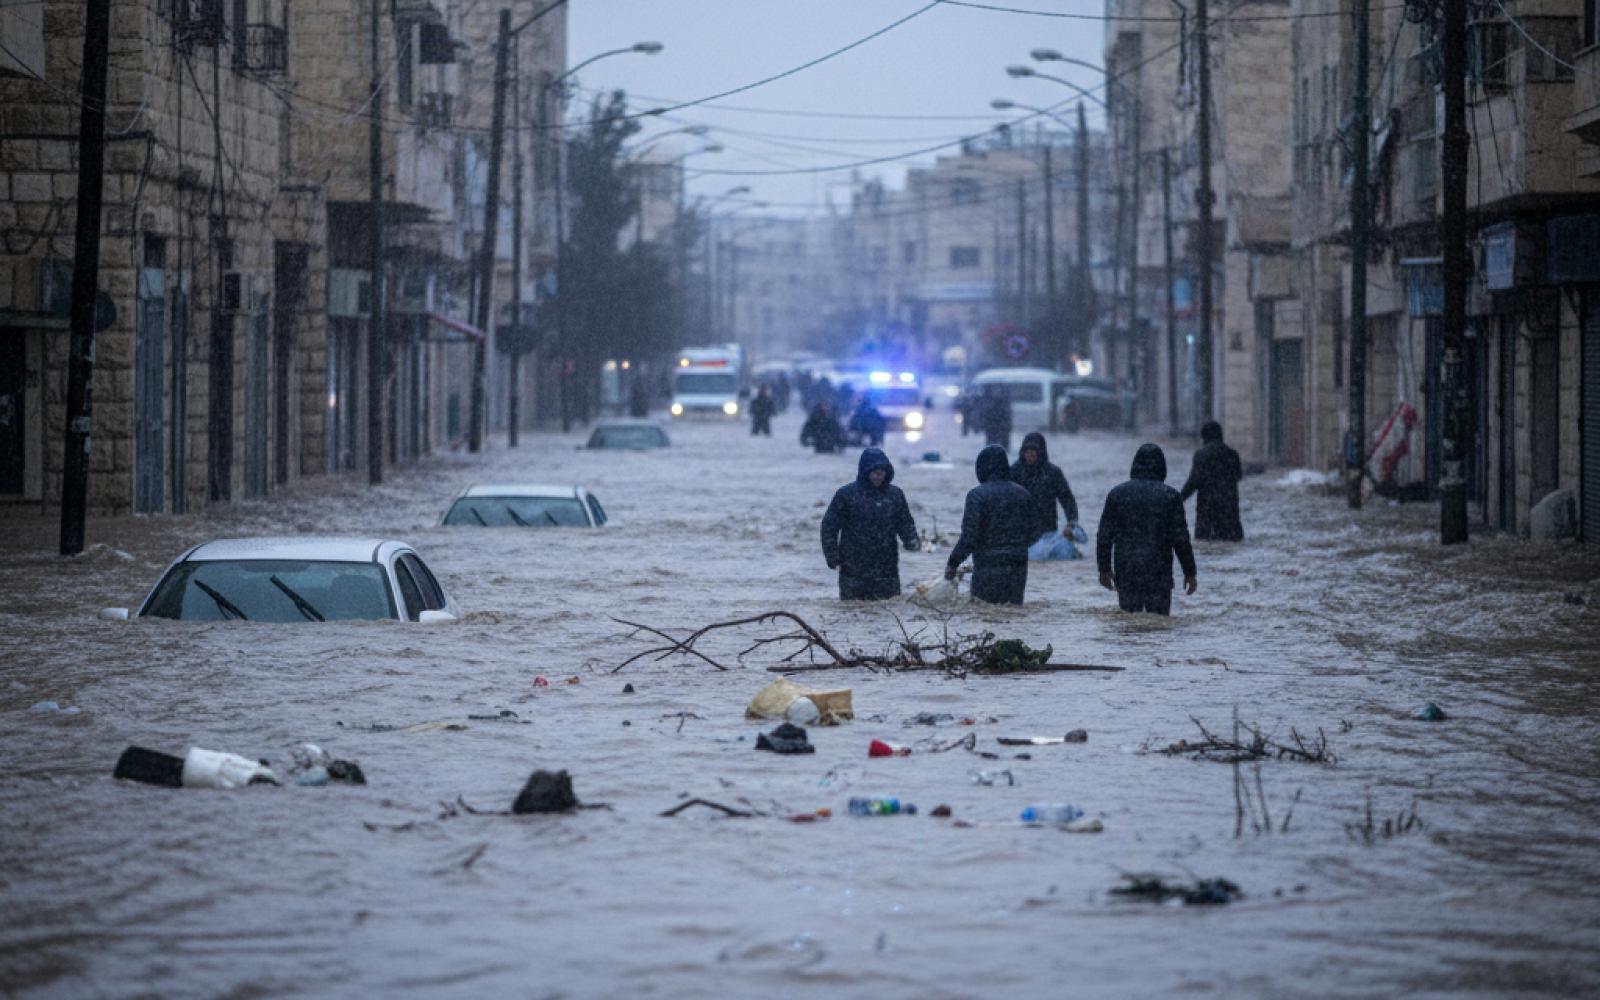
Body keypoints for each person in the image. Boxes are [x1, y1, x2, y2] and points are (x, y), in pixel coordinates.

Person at [1096, 443, 1198, 615]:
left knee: (1128, 626)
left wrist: (1104, 569)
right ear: (1162, 467)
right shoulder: (1170, 497)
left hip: (1127, 571)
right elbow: (1181, 539)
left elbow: (1104, 537)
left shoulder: (1117, 494)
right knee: (1158, 627)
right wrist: (1190, 572)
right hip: (1159, 573)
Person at [820, 447, 920, 600]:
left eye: (882, 471)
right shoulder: (846, 495)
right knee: (854, 612)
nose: (878, 476)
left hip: (887, 569)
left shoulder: (895, 495)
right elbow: (829, 526)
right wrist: (832, 556)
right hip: (853, 570)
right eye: (874, 471)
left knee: (888, 610)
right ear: (865, 471)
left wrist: (911, 540)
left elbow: (905, 522)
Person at [945, 445, 1035, 604]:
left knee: (984, 615)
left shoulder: (976, 496)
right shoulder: (1023, 494)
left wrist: (953, 563)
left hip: (987, 567)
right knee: (1013, 614)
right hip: (1018, 568)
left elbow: (969, 537)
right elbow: (1033, 532)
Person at [1010, 432, 1083, 560]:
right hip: (1021, 533)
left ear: (1041, 451)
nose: (1030, 454)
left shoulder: (1053, 473)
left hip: (1047, 530)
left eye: (1034, 450)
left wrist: (1071, 523)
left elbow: (1067, 500)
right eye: (1027, 450)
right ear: (1022, 451)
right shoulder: (1014, 472)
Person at [1180, 420, 1244, 541]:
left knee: (1207, 549)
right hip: (1230, 515)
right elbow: (1238, 476)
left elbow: (1193, 482)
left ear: (1204, 437)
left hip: (1207, 516)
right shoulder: (1232, 454)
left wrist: (1178, 500)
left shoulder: (1201, 455)